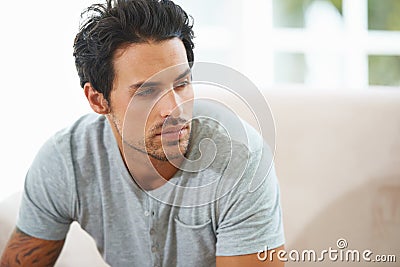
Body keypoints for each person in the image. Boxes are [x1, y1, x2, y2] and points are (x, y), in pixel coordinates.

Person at [0, 0, 285, 266]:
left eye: (182, 83)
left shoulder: (240, 157)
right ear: (98, 100)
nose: (174, 109)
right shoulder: (67, 161)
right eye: (147, 92)